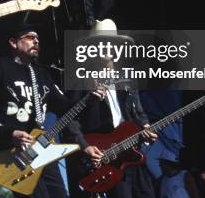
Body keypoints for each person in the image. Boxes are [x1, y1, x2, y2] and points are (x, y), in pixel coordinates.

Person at [0, 23, 104, 198]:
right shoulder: (0, 67)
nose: (36, 41)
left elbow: (65, 107)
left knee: (59, 194)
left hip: (42, 146)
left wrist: (89, 99)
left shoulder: (41, 74)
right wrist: (10, 133)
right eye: (29, 37)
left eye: (37, 38)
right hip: (13, 152)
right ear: (13, 43)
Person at [64, 19, 158, 198]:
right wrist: (85, 146)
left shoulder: (128, 79)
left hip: (132, 151)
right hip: (106, 155)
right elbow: (70, 119)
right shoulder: (81, 81)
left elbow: (138, 112)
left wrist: (146, 126)